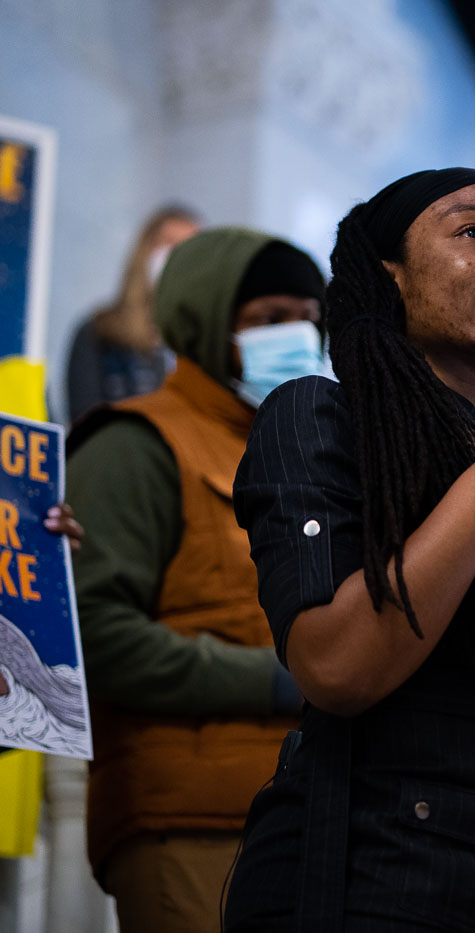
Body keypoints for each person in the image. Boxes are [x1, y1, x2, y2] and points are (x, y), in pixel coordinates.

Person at [223, 168, 475, 932]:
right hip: (371, 888)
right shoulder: (319, 417)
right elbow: (337, 666)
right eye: (474, 232)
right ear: (387, 275)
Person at [66, 227, 326, 932]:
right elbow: (96, 635)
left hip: (309, 810)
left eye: (311, 316)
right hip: (186, 815)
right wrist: (282, 679)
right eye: (271, 318)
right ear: (207, 318)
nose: (299, 334)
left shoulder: (305, 454)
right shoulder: (135, 441)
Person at [65, 204, 201, 422]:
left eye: (191, 248)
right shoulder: (98, 332)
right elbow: (84, 421)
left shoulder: (204, 348)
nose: (179, 257)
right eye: (169, 244)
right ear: (145, 252)